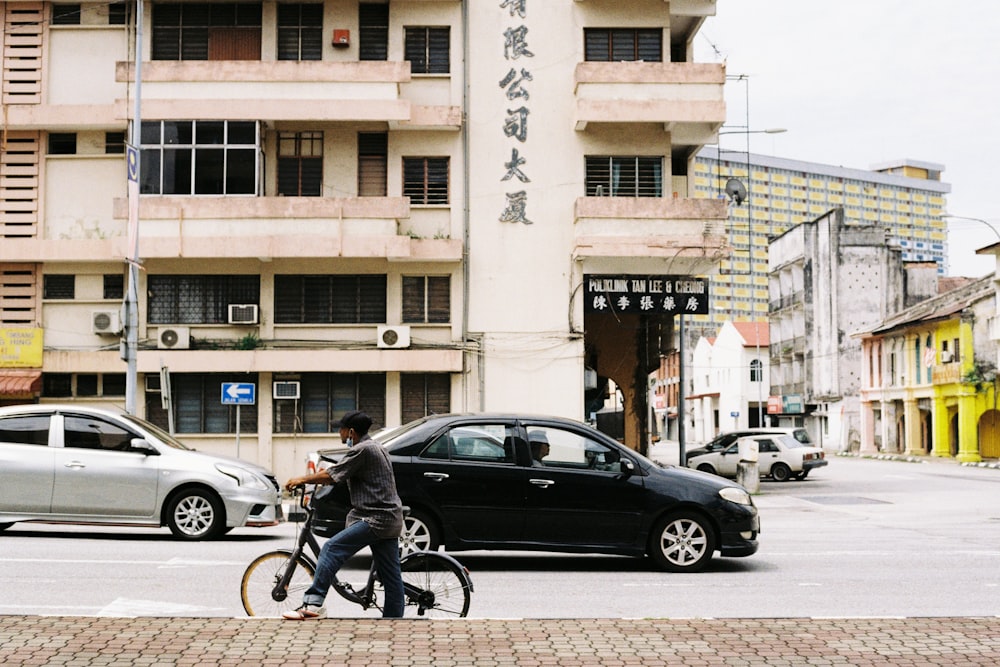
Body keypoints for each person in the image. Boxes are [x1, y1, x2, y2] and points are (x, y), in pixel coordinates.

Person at [281, 410, 404, 620]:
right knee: (391, 576)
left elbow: (332, 475)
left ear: (351, 432)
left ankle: (314, 604)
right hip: (390, 519)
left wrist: (301, 480)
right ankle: (394, 620)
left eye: (341, 429)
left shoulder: (362, 450)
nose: (339, 433)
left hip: (375, 519)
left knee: (330, 548)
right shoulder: (377, 447)